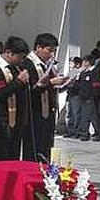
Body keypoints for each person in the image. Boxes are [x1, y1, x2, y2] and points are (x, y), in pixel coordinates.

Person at [21, 33, 66, 162]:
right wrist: (51, 83)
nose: (52, 54)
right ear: (38, 47)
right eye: (49, 50)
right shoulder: (28, 64)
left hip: (48, 113)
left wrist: (63, 83)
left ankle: (46, 172)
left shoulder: (47, 65)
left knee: (46, 146)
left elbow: (50, 86)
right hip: (34, 112)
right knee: (35, 148)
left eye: (54, 51)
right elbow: (31, 90)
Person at [0, 36, 30, 160]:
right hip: (1, 119)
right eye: (19, 57)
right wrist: (19, 81)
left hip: (16, 120)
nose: (21, 61)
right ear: (9, 52)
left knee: (13, 154)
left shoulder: (15, 68)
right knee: (1, 154)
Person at [76, 54, 100, 141]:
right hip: (83, 97)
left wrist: (92, 97)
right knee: (84, 116)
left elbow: (96, 86)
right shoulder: (84, 72)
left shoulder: (95, 72)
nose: (83, 63)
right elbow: (78, 83)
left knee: (93, 117)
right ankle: (84, 133)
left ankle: (98, 133)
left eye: (84, 61)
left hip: (90, 98)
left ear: (88, 62)